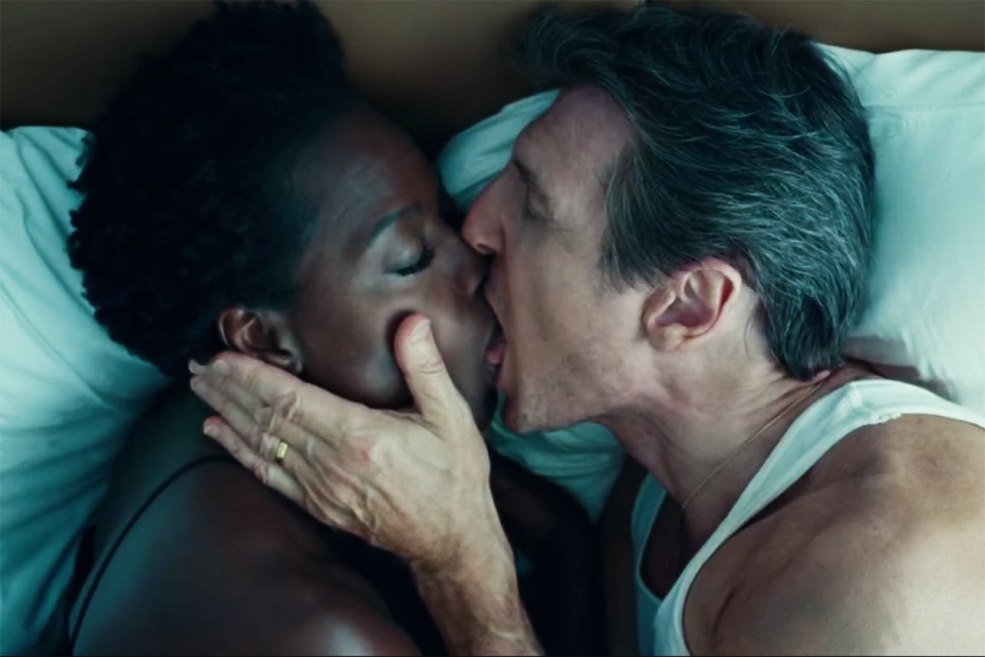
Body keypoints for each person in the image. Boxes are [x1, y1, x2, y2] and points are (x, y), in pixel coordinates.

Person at [191, 3, 985, 655]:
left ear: (687, 306)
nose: (476, 228)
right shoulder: (655, 490)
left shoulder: (880, 576)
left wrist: (464, 565)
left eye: (532, 205)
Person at [65, 2, 598, 654]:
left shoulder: (203, 410)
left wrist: (510, 514)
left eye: (445, 216)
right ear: (262, 340)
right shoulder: (324, 635)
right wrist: (462, 561)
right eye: (412, 257)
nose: (472, 260)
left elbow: (561, 535)